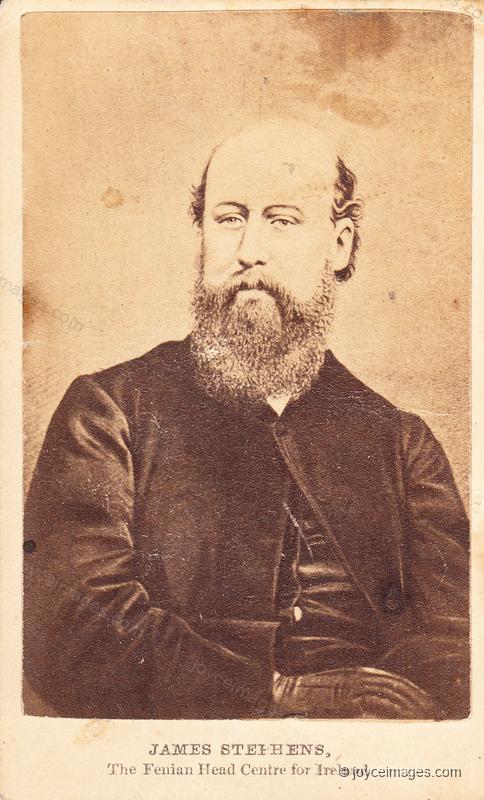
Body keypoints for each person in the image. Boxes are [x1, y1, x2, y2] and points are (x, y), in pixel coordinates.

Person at [23, 119, 469, 720]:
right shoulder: (109, 411)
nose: (248, 249)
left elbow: (457, 640)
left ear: (339, 244)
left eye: (282, 221)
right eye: (229, 218)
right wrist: (276, 691)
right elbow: (70, 628)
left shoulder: (401, 442)